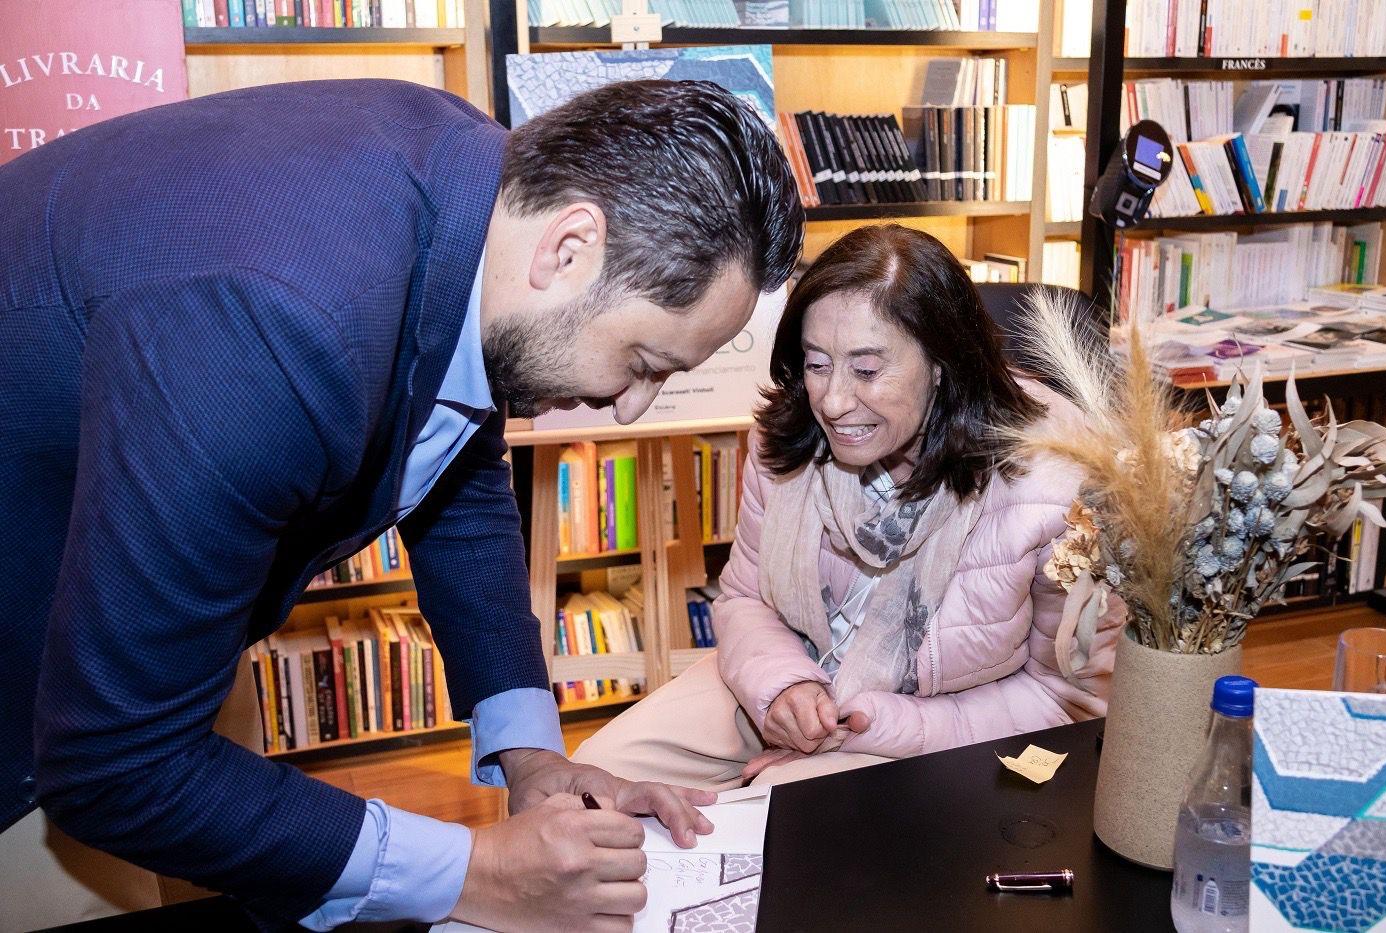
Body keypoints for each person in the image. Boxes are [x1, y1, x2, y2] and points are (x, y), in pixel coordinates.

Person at [0, 77, 803, 931]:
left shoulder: (478, 194)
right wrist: (474, 871)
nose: (632, 405)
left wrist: (529, 754)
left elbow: (455, 458)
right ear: (571, 247)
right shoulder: (275, 324)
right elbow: (113, 760)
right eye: (644, 360)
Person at [574, 225, 1124, 789]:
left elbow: (1065, 698)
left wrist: (872, 727)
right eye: (816, 364)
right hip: (786, 681)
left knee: (781, 810)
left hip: (943, 725)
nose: (833, 402)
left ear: (943, 365)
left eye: (866, 370)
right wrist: (784, 687)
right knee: (593, 780)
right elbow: (744, 598)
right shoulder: (787, 437)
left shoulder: (1053, 481)